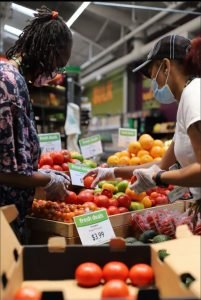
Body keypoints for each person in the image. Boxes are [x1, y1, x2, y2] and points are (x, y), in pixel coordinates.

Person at [84, 34, 201, 216]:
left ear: (166, 66)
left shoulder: (194, 95)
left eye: (152, 75)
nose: (152, 83)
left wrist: (158, 178)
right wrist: (113, 172)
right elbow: (161, 165)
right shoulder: (186, 101)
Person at [0, 6, 73, 240]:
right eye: (58, 64)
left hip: (11, 217)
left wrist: (40, 173)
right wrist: (47, 179)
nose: (55, 72)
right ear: (46, 52)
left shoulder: (14, 80)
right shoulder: (9, 84)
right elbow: (4, 170)